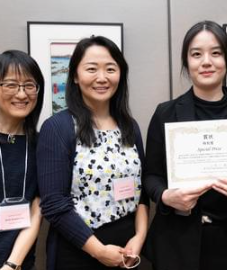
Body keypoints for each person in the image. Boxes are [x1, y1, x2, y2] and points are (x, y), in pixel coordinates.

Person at [143, 21, 227, 270]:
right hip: (178, 242)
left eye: (216, 52)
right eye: (196, 54)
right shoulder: (166, 113)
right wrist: (166, 196)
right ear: (186, 62)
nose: (206, 61)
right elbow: (151, 176)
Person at [36, 36, 149, 270]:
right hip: (78, 249)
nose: (102, 77)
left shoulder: (130, 126)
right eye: (91, 69)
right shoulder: (58, 127)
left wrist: (139, 237)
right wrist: (99, 252)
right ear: (75, 76)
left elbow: (142, 192)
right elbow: (54, 204)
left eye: (110, 69)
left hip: (128, 249)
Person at [0, 50, 44, 270]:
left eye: (29, 85)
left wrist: (11, 265)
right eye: (11, 85)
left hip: (20, 264)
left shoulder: (41, 144)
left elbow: (37, 207)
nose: (21, 94)